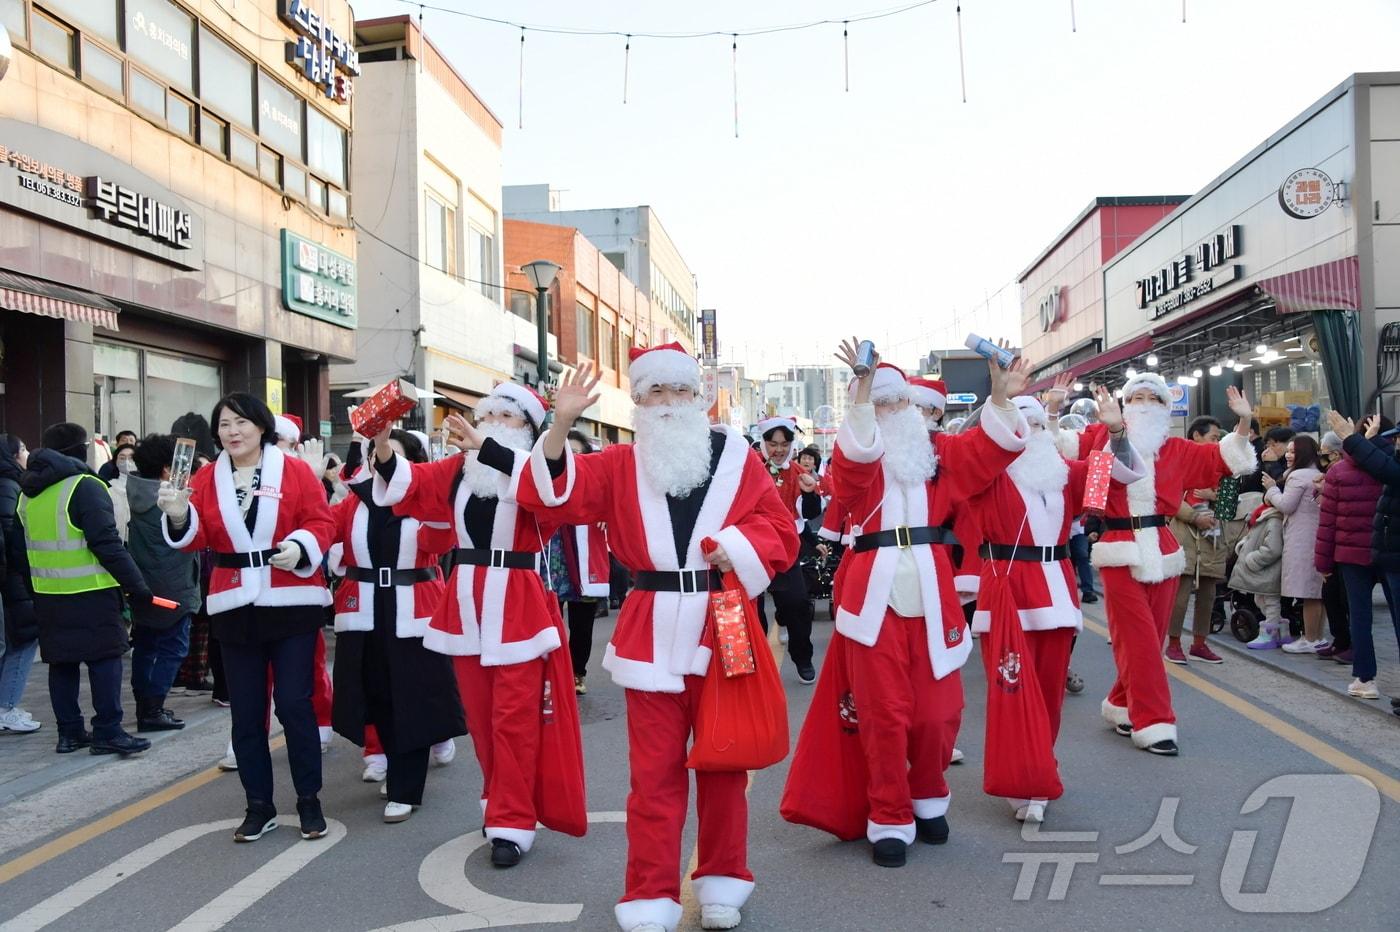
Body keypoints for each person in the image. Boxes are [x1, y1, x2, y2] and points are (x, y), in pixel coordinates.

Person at [518, 345, 798, 932]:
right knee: (653, 776)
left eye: (679, 392)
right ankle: (650, 892)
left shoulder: (736, 456)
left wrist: (740, 548)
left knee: (725, 761)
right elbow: (549, 497)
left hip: (724, 620)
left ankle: (724, 880)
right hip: (650, 625)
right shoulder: (620, 462)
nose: (668, 405)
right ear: (638, 403)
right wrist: (561, 423)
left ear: (699, 398)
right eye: (655, 395)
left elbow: (778, 528)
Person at [783, 340, 1032, 869]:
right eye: (884, 404)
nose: (896, 413)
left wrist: (1003, 399)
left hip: (933, 593)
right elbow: (852, 464)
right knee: (883, 717)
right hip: (873, 599)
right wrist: (864, 392)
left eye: (901, 404)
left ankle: (928, 794)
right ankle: (890, 813)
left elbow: (993, 451)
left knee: (939, 716)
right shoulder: (861, 460)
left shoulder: (942, 456)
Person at [369, 382, 585, 869]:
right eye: (489, 415)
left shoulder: (533, 469)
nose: (493, 423)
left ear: (528, 429)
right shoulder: (458, 471)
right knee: (484, 718)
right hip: (465, 599)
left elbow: (551, 493)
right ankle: (500, 803)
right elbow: (409, 484)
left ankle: (511, 820)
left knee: (514, 719)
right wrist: (382, 444)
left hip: (518, 601)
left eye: (507, 418)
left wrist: (489, 449)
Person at [159, 393, 335, 843]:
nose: (232, 432)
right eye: (224, 424)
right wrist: (178, 515)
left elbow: (321, 521)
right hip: (233, 604)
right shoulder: (203, 477)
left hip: (291, 600)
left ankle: (309, 801)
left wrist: (300, 546)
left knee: (295, 705)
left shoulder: (294, 470)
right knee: (247, 713)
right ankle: (259, 806)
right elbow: (195, 537)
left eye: (240, 422)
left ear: (260, 426)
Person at [968, 390, 1136, 825]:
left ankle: (1039, 769)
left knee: (1047, 696)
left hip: (1057, 595)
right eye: (1025, 426)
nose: (1034, 434)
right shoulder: (987, 475)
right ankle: (1019, 778)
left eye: (1041, 426)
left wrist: (1116, 430)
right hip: (1005, 592)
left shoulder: (1064, 472)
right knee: (1011, 693)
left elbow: (1117, 476)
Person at [1065, 373, 1255, 755]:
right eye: (1138, 396)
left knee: (1149, 640)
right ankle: (1155, 722)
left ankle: (1121, 704)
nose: (1146, 402)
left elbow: (1229, 460)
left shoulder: (1178, 449)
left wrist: (1245, 422)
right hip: (1120, 547)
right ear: (1126, 402)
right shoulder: (1099, 437)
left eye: (1154, 396)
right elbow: (1059, 449)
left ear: (1166, 406)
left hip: (1164, 549)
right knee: (1137, 640)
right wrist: (1053, 410)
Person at [328, 429, 466, 823]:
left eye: (393, 454)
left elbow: (440, 543)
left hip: (413, 609)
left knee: (413, 697)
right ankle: (390, 757)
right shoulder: (354, 502)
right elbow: (323, 527)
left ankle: (407, 784)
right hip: (365, 610)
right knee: (378, 695)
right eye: (377, 453)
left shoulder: (427, 502)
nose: (382, 460)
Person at [20, 423, 154, 756]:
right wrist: (136, 585)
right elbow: (106, 543)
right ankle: (108, 730)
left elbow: (19, 551)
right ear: (81, 451)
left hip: (48, 593)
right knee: (106, 659)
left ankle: (69, 733)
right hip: (92, 591)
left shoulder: (29, 493)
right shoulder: (85, 486)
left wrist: (34, 589)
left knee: (61, 663)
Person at [126, 435, 201, 732]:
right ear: (168, 470)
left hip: (143, 585)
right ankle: (152, 708)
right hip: (174, 586)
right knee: (173, 648)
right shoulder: (171, 501)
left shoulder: (133, 492)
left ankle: (145, 704)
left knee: (145, 646)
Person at [1327, 412, 1400, 706]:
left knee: (1360, 617)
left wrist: (1353, 439)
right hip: (1382, 551)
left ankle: (1364, 677)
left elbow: (1387, 470)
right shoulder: (1385, 461)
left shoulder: (1342, 470)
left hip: (1370, 552)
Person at [754, 415, 822, 682]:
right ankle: (756, 666)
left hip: (786, 549)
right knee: (753, 610)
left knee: (796, 603)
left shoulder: (798, 473)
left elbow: (810, 513)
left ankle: (803, 658)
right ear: (764, 443)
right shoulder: (750, 469)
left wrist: (808, 493)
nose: (778, 450)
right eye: (773, 444)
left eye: (784, 444)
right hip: (754, 549)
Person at [1162, 416, 1233, 665]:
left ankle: (1200, 643)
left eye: (1219, 438)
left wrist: (1215, 496)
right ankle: (1173, 643)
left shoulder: (1223, 462)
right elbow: (1167, 496)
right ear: (1196, 436)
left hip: (1213, 536)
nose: (1217, 442)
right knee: (1179, 593)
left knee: (1208, 593)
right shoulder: (1178, 458)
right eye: (1214, 437)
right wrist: (1193, 516)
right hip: (1183, 533)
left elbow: (1230, 504)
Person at [548, 430, 611, 696]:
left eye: (577, 452)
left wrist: (609, 515)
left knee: (582, 624)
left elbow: (620, 508)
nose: (572, 457)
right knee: (549, 621)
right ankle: (551, 672)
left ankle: (577, 672)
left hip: (586, 563)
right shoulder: (546, 480)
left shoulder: (600, 487)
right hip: (553, 560)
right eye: (567, 452)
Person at [1267, 436, 1328, 654]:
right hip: (1318, 538)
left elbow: (1286, 505)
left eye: (1293, 451)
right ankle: (1318, 636)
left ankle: (1309, 638)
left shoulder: (1298, 477)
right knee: (1317, 591)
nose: (1288, 455)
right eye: (1288, 450)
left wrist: (1272, 489)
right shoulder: (1318, 474)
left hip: (1302, 540)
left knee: (1307, 592)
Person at [0, 435, 41, 733]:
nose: (27, 453)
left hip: (10, 580)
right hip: (13, 580)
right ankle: (6, 707)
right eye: (24, 449)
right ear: (12, 455)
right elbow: (12, 539)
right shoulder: (10, 485)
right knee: (23, 641)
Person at [1230, 503, 1286, 647]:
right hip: (1263, 571)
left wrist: (1252, 559)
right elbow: (1252, 537)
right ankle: (1280, 631)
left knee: (1270, 601)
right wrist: (1242, 546)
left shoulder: (1274, 520)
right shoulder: (1263, 517)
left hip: (1268, 570)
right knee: (1261, 599)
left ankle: (1270, 634)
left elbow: (1273, 549)